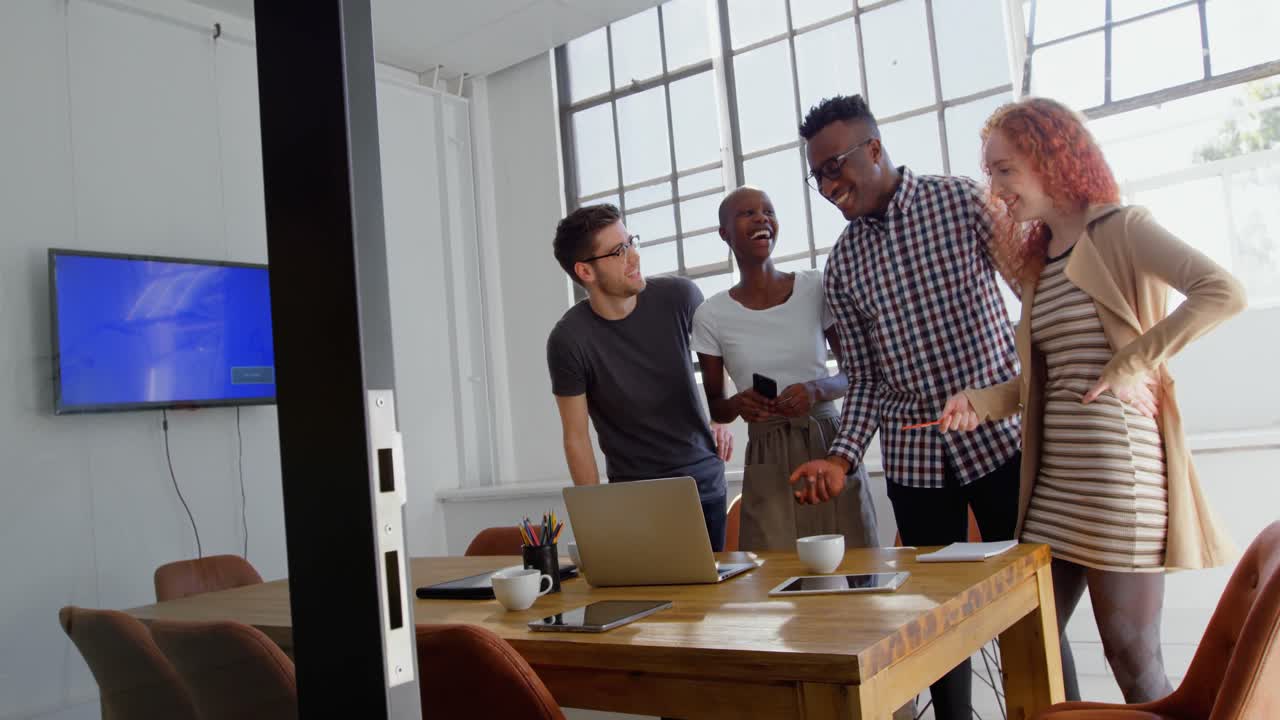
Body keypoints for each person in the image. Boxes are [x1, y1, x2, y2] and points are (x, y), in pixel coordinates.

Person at [940, 97, 1245, 703]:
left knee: (1133, 660)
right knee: (1026, 639)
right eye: (992, 171)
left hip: (1117, 481)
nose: (994, 188)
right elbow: (1042, 384)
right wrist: (982, 400)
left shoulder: (1122, 229)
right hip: (1055, 488)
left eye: (1005, 170)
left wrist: (1135, 361)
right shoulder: (1038, 261)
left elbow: (1223, 291)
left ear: (1050, 158)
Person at [787, 95, 1023, 720]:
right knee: (935, 628)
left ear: (873, 148)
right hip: (917, 465)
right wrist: (840, 459)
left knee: (1029, 613)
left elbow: (1034, 297)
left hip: (1004, 443)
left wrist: (1030, 386)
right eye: (817, 176)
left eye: (835, 166)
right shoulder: (843, 265)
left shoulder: (964, 201)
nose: (828, 185)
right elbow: (864, 380)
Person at [690, 186, 877, 551]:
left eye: (768, 210)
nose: (762, 218)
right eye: (748, 213)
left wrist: (817, 390)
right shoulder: (711, 315)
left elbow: (855, 373)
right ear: (724, 233)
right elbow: (716, 407)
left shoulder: (815, 287)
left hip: (829, 442)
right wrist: (739, 405)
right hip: (766, 454)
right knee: (774, 575)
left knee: (858, 562)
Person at [547, 204, 734, 551]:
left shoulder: (681, 298)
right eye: (619, 251)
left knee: (710, 602)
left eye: (631, 242)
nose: (633, 257)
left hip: (703, 486)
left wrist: (720, 416)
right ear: (585, 271)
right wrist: (593, 517)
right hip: (634, 498)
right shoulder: (568, 340)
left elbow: (720, 353)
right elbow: (576, 437)